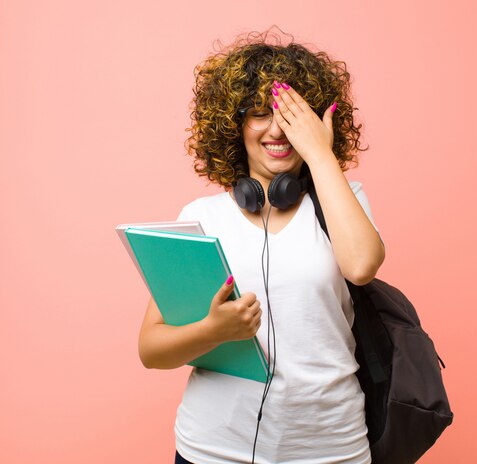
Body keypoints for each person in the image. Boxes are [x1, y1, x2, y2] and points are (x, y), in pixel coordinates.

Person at [137, 29, 385, 464]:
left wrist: (320, 155)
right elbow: (151, 349)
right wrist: (214, 331)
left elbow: (362, 265)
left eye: (292, 116)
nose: (277, 129)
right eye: (259, 113)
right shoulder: (201, 216)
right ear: (234, 124)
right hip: (213, 449)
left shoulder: (343, 201)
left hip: (330, 449)